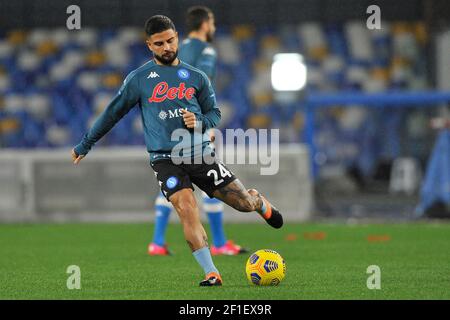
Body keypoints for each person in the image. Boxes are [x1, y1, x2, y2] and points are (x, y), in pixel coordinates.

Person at [71, 15, 283, 287]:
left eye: (170, 40)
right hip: (164, 159)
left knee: (241, 203)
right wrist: (86, 143)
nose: (167, 47)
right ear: (149, 45)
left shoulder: (197, 77)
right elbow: (112, 113)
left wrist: (201, 122)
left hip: (199, 154)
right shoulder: (139, 79)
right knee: (186, 206)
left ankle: (258, 201)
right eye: (159, 43)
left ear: (177, 38)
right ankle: (211, 273)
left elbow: (215, 113)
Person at [148, 6, 247, 257]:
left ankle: (157, 242)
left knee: (174, 185)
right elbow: (203, 84)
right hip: (192, 126)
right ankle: (220, 242)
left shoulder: (176, 51)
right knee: (211, 181)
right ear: (205, 24)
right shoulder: (206, 50)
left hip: (166, 126)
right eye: (211, 22)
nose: (213, 27)